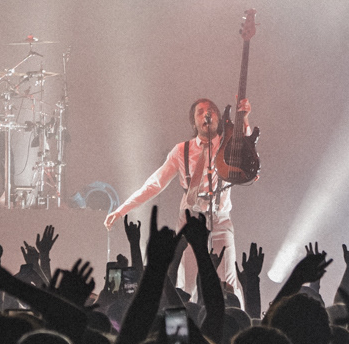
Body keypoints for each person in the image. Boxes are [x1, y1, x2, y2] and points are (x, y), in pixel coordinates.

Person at [103, 96, 253, 297]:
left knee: (228, 283)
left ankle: (236, 322)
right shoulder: (181, 150)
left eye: (211, 110)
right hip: (189, 221)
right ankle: (188, 322)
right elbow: (154, 184)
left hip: (220, 220)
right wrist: (121, 210)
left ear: (219, 117)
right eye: (200, 112)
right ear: (194, 122)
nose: (207, 114)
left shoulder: (228, 145)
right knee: (187, 284)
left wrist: (244, 119)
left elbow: (247, 151)